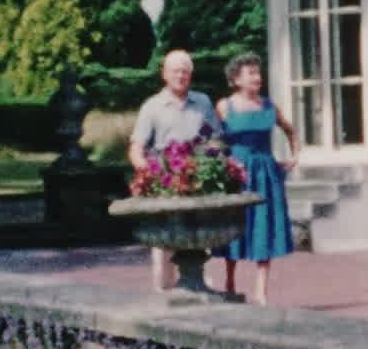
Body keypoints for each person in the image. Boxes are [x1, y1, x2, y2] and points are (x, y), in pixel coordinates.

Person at [128, 48, 220, 290]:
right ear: (164, 75)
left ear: (190, 75)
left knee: (202, 233)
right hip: (164, 177)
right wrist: (149, 172)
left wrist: (212, 162)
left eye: (185, 71)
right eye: (175, 71)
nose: (180, 76)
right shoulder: (152, 106)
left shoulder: (202, 102)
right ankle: (163, 286)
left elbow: (216, 140)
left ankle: (199, 283)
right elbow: (136, 149)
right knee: (165, 240)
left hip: (198, 175)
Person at [214, 52, 298, 305]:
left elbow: (289, 129)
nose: (257, 78)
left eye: (258, 73)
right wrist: (221, 162)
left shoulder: (270, 106)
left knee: (264, 224)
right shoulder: (224, 107)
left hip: (265, 173)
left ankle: (261, 289)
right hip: (236, 172)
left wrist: (294, 156)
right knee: (236, 225)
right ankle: (230, 281)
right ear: (236, 79)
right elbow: (212, 140)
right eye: (250, 73)